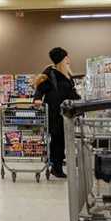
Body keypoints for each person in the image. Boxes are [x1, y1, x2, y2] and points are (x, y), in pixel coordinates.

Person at [34, 46, 80, 178]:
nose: (69, 60)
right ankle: (56, 167)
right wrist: (37, 99)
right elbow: (40, 88)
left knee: (62, 140)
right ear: (61, 59)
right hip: (54, 113)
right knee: (57, 140)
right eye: (66, 58)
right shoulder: (50, 73)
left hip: (66, 112)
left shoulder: (67, 74)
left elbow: (70, 92)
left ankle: (57, 163)